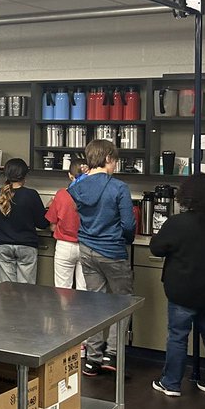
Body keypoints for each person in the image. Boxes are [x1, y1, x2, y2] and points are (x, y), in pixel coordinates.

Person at [150, 174, 205, 398]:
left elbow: (156, 248)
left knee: (178, 336)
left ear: (186, 195)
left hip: (183, 290)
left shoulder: (178, 222)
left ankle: (171, 383)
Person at [69, 139, 136, 377]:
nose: (116, 164)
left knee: (94, 304)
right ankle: (113, 354)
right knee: (122, 302)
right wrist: (125, 238)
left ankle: (92, 358)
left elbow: (76, 187)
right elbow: (128, 224)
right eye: (115, 160)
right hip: (112, 250)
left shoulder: (78, 187)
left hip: (86, 249)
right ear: (108, 158)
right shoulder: (118, 187)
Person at [0, 158, 47, 284]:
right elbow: (42, 224)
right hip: (26, 245)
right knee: (26, 290)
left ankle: (8, 305)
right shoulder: (31, 195)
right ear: (24, 175)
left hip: (3, 245)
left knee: (7, 289)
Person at [46, 155, 89, 290]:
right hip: (87, 245)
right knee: (85, 291)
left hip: (64, 246)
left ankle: (64, 311)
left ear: (70, 175)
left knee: (62, 290)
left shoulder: (61, 194)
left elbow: (52, 225)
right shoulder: (94, 195)